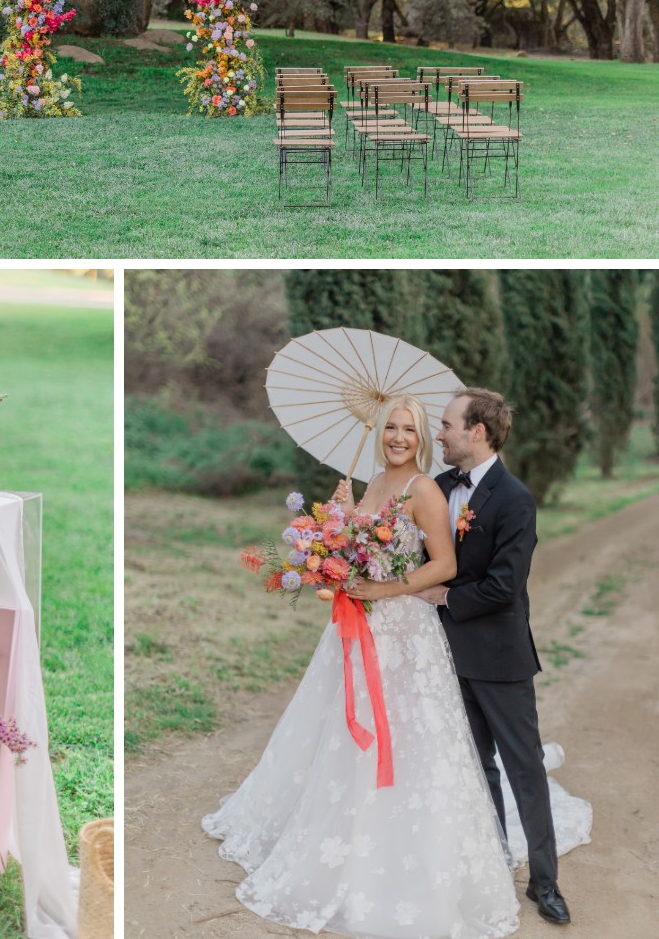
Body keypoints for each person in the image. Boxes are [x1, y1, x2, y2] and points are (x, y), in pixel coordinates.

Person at [204, 394, 521, 938]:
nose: (399, 437)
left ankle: (400, 848)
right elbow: (359, 549)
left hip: (404, 634)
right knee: (342, 731)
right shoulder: (371, 481)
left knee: (402, 735)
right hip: (357, 626)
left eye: (410, 430)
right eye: (392, 428)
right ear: (381, 433)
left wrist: (383, 587)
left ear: (423, 439)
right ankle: (335, 830)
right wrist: (337, 525)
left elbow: (442, 564)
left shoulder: (424, 489)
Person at [413, 388, 570, 927]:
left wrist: (447, 597)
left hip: (499, 658)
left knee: (523, 767)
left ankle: (545, 882)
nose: (440, 434)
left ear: (477, 431)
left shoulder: (515, 498)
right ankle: (494, 860)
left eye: (447, 425)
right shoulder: (435, 488)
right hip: (442, 657)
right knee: (475, 768)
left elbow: (505, 586)